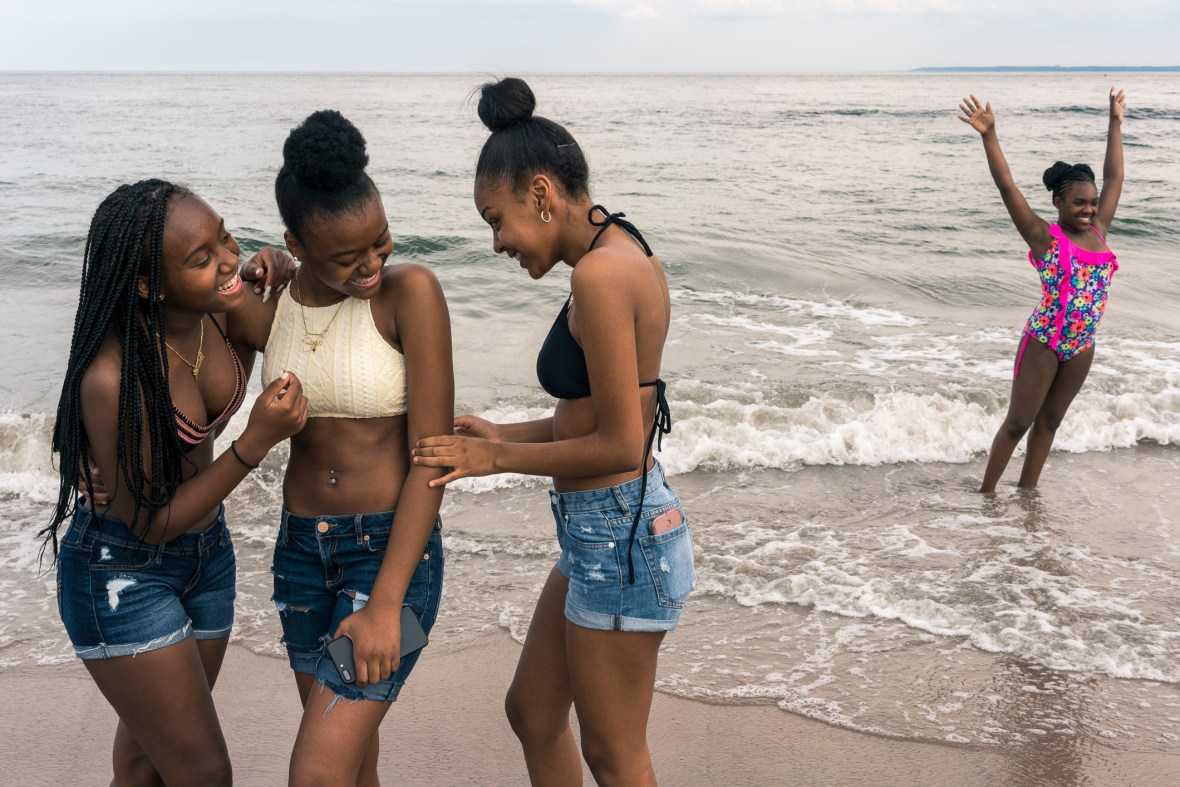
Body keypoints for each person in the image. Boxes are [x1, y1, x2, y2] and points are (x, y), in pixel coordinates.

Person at [413, 77, 696, 786]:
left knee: (613, 752)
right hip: (607, 530)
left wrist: (494, 456)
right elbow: (598, 420)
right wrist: (503, 430)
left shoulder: (602, 274)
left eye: (496, 218)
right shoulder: (622, 247)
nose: (496, 241)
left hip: (620, 536)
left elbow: (623, 447)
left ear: (541, 193)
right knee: (533, 710)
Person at [43, 179, 308, 786]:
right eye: (201, 257)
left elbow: (286, 333)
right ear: (148, 285)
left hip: (207, 556)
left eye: (224, 237)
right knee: (205, 773)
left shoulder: (223, 304)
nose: (227, 259)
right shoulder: (113, 379)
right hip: (122, 575)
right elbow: (152, 521)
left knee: (145, 761)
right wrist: (254, 443)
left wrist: (289, 272)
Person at [227, 110, 454, 786]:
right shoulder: (279, 299)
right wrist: (251, 265)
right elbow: (194, 296)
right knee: (352, 763)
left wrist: (386, 603)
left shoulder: (410, 294)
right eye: (348, 256)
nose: (372, 263)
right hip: (301, 553)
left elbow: (434, 457)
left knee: (316, 771)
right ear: (297, 242)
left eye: (380, 241)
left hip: (391, 556)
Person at [959, 88, 1126, 493]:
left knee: (1051, 422)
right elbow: (1007, 188)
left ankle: (1027, 493)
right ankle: (986, 496)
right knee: (1019, 422)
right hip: (1045, 342)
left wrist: (1115, 123)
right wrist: (989, 135)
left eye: (1092, 203)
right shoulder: (1044, 238)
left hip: (1082, 346)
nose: (1088, 210)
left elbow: (1114, 177)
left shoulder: (1099, 232)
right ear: (1057, 203)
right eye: (1078, 204)